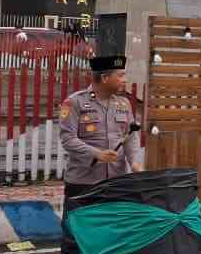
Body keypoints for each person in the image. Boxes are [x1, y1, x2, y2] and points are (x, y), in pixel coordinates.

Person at [57, 54, 144, 208]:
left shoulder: (123, 104)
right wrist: (96, 154)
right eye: (121, 75)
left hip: (116, 182)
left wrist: (135, 162)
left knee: (113, 229)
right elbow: (68, 139)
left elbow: (130, 136)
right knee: (79, 229)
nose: (125, 80)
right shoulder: (75, 102)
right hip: (83, 183)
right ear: (104, 78)